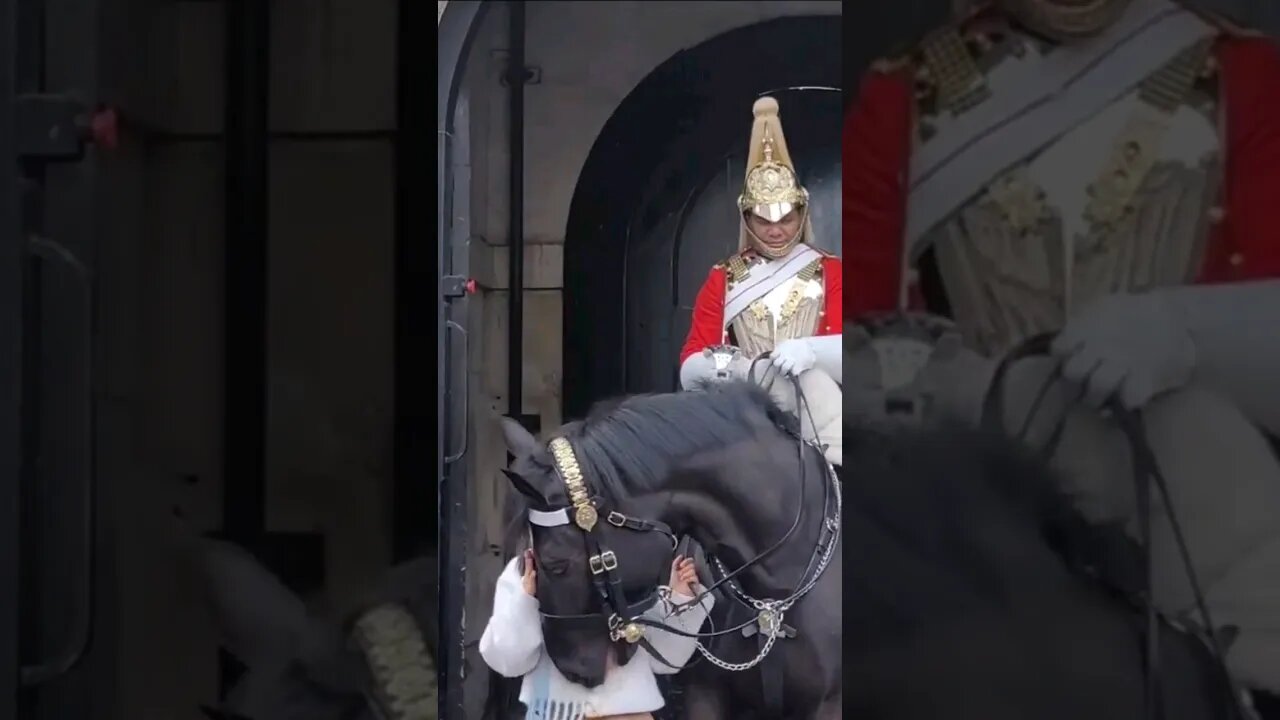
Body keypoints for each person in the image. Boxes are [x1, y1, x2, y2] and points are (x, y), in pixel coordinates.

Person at [842, 0, 1280, 697]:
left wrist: (1189, 328)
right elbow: (869, 320)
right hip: (975, 468)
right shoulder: (904, 93)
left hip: (1190, 487)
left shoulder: (1237, 71)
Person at [679, 96, 844, 465]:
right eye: (763, 221)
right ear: (747, 219)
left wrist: (812, 351)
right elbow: (692, 363)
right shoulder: (724, 277)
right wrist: (741, 369)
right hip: (746, 409)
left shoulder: (830, 271)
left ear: (801, 213)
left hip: (817, 412)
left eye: (785, 219)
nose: (775, 231)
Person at [479, 550, 713, 720]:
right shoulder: (527, 568)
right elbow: (507, 662)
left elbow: (667, 659)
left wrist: (679, 600)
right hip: (556, 713)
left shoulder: (635, 564)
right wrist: (525, 599)